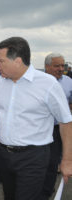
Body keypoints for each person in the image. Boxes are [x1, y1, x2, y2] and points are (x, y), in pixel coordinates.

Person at [0, 37, 72, 200]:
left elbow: (65, 121)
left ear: (18, 61)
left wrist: (67, 160)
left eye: (1, 60)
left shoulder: (47, 84)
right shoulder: (1, 81)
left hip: (33, 158)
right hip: (3, 155)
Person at [41, 53, 72, 199]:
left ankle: (46, 192)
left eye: (63, 65)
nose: (61, 69)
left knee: (52, 164)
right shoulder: (39, 82)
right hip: (40, 130)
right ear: (47, 67)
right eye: (57, 66)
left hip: (58, 130)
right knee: (39, 163)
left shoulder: (68, 82)